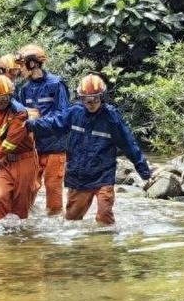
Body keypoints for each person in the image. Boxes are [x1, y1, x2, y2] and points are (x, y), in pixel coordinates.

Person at [26, 74, 151, 225]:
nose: (91, 103)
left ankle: (105, 244)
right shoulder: (74, 113)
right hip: (79, 176)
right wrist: (31, 125)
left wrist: (142, 168)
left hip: (103, 174)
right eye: (86, 100)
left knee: (105, 214)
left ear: (102, 97)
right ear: (81, 98)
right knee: (72, 220)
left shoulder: (111, 117)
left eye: (95, 99)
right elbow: (54, 124)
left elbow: (128, 143)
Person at [16, 44, 70, 216]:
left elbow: (62, 117)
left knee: (53, 189)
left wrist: (36, 123)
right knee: (28, 188)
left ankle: (54, 225)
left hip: (56, 146)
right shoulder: (24, 89)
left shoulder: (56, 84)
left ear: (32, 64)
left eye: (22, 64)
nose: (20, 69)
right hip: (34, 147)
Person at [0, 74, 39, 220]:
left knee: (20, 207)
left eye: (6, 98)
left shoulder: (19, 112)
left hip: (23, 161)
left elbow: (11, 142)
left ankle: (17, 239)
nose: (2, 101)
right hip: (3, 161)